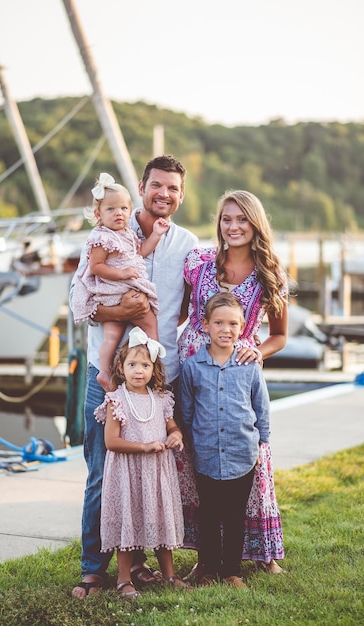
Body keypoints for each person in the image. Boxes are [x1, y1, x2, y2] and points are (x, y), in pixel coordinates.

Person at [70, 155, 198, 599]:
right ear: (142, 186)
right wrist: (120, 311)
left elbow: (191, 308)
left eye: (173, 189)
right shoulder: (109, 231)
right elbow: (78, 300)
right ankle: (93, 568)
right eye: (157, 185)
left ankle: (140, 565)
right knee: (103, 470)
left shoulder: (188, 243)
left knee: (151, 470)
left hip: (162, 377)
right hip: (105, 374)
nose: (164, 194)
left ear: (181, 195)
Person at [178, 189, 288, 578]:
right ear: (219, 223)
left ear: (255, 223)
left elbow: (278, 335)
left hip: (239, 371)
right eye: (227, 219)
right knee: (196, 462)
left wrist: (259, 352)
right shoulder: (199, 263)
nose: (234, 226)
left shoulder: (268, 275)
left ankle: (260, 552)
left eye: (242, 219)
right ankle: (203, 557)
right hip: (194, 368)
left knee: (249, 462)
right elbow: (180, 312)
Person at [180, 292, 271, 589]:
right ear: (205, 325)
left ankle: (232, 571)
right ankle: (207, 568)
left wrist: (261, 445)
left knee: (235, 516)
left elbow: (262, 408)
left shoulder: (249, 367)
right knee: (207, 513)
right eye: (219, 322)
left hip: (242, 453)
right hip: (206, 454)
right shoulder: (192, 368)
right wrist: (193, 445)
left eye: (233, 323)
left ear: (242, 327)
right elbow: (187, 411)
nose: (225, 329)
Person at [95, 327, 190, 598]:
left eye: (145, 365)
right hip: (128, 474)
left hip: (157, 474)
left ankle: (169, 574)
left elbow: (173, 427)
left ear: (154, 368)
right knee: (129, 522)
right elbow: (111, 441)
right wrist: (144, 446)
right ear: (121, 368)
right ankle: (124, 579)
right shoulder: (117, 400)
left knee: (160, 520)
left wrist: (176, 436)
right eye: (132, 364)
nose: (139, 370)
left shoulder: (161, 399)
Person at [71, 173, 169, 391]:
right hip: (112, 290)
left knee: (114, 335)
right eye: (111, 209)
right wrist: (124, 274)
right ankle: (149, 364)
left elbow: (141, 251)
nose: (119, 214)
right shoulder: (101, 237)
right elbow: (97, 267)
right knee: (148, 324)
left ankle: (113, 372)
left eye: (124, 209)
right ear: (98, 214)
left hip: (121, 290)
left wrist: (156, 234)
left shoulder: (127, 234)